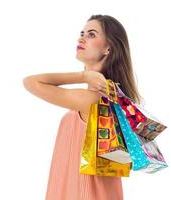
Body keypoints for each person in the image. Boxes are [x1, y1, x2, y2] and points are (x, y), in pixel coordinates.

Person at [23, 14, 142, 200]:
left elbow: (31, 82)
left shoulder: (93, 100)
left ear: (107, 48)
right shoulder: (110, 99)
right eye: (82, 33)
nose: (81, 38)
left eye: (92, 34)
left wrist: (82, 76)